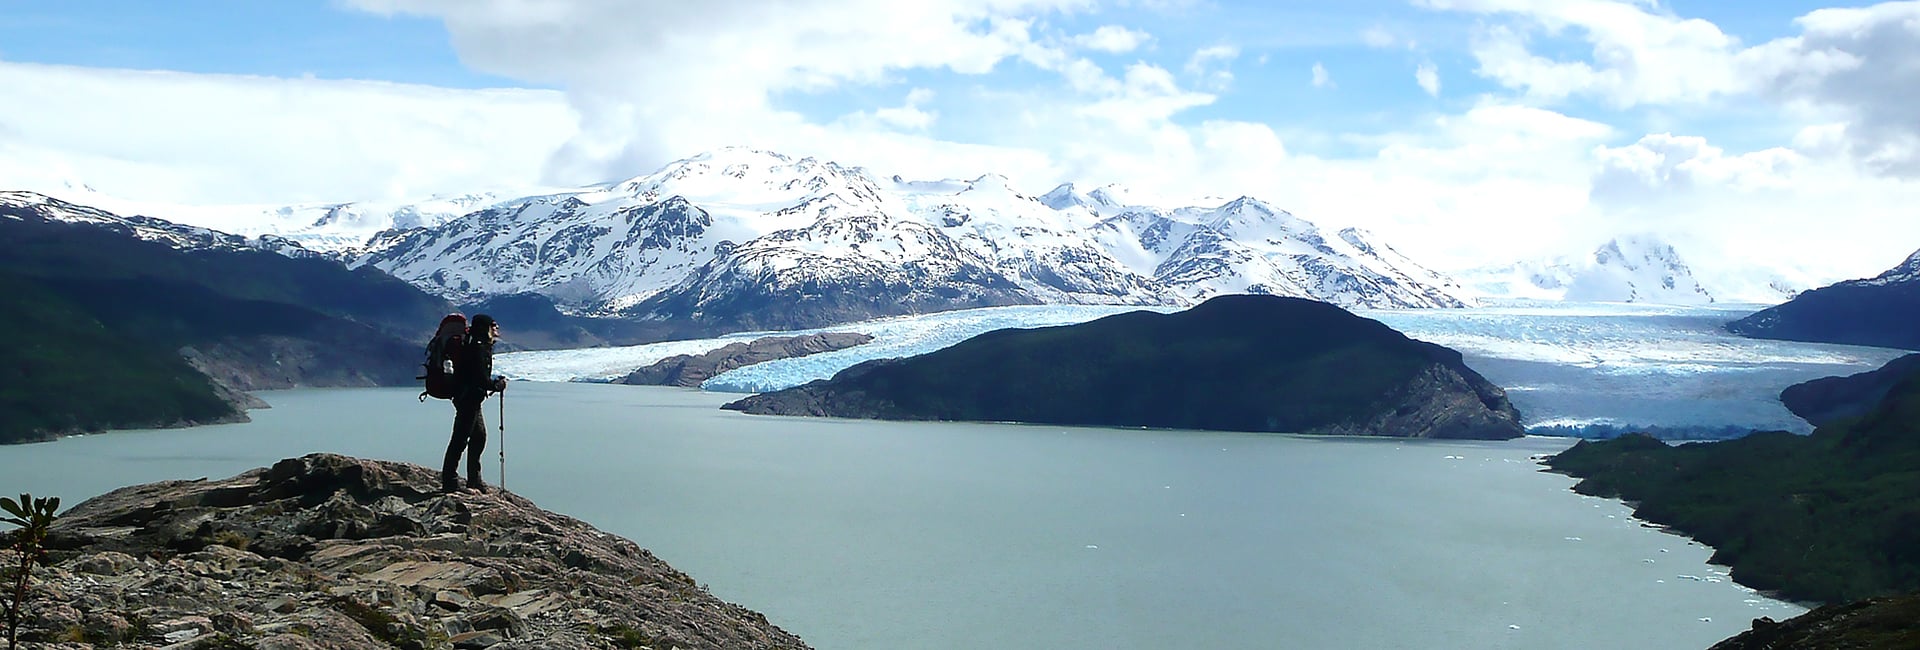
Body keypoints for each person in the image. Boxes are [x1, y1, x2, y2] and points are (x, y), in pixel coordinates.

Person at [445, 313, 507, 494]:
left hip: (468, 397)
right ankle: (451, 481)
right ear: (486, 328)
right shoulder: (478, 348)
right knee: (460, 439)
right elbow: (480, 378)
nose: (496, 330)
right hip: (468, 399)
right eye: (494, 326)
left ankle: (473, 479)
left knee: (477, 437)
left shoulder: (475, 345)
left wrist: (492, 383)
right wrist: (496, 385)